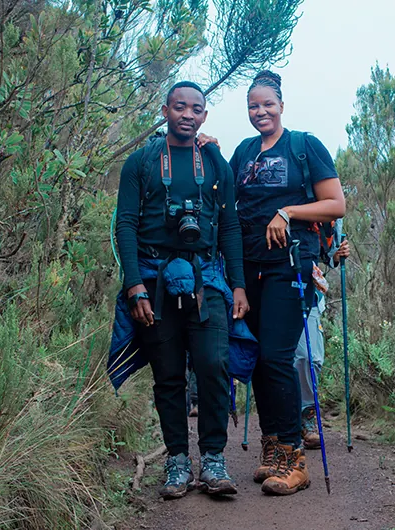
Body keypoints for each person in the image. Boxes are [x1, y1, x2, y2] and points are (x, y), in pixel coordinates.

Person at [113, 81, 249, 500]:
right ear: (166, 110)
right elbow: (126, 224)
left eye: (195, 109)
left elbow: (228, 226)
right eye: (179, 107)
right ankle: (176, 461)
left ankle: (212, 459)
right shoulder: (142, 161)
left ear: (204, 115)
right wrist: (133, 284)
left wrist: (238, 284)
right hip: (154, 278)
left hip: (206, 276)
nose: (187, 115)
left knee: (212, 364)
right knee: (168, 374)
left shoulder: (215, 163)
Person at [229, 70, 345, 496]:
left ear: (281, 105)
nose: (260, 112)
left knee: (277, 357)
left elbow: (336, 203)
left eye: (267, 104)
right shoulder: (242, 151)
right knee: (258, 358)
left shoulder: (304, 147)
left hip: (290, 266)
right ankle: (273, 449)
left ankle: (295, 458)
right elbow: (226, 201)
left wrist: (288, 212)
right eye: (252, 106)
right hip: (248, 267)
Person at [295, 226, 350, 449]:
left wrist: (336, 254)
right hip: (272, 281)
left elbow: (326, 252)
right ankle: (279, 425)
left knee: (310, 358)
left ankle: (307, 413)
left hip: (309, 290)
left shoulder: (324, 208)